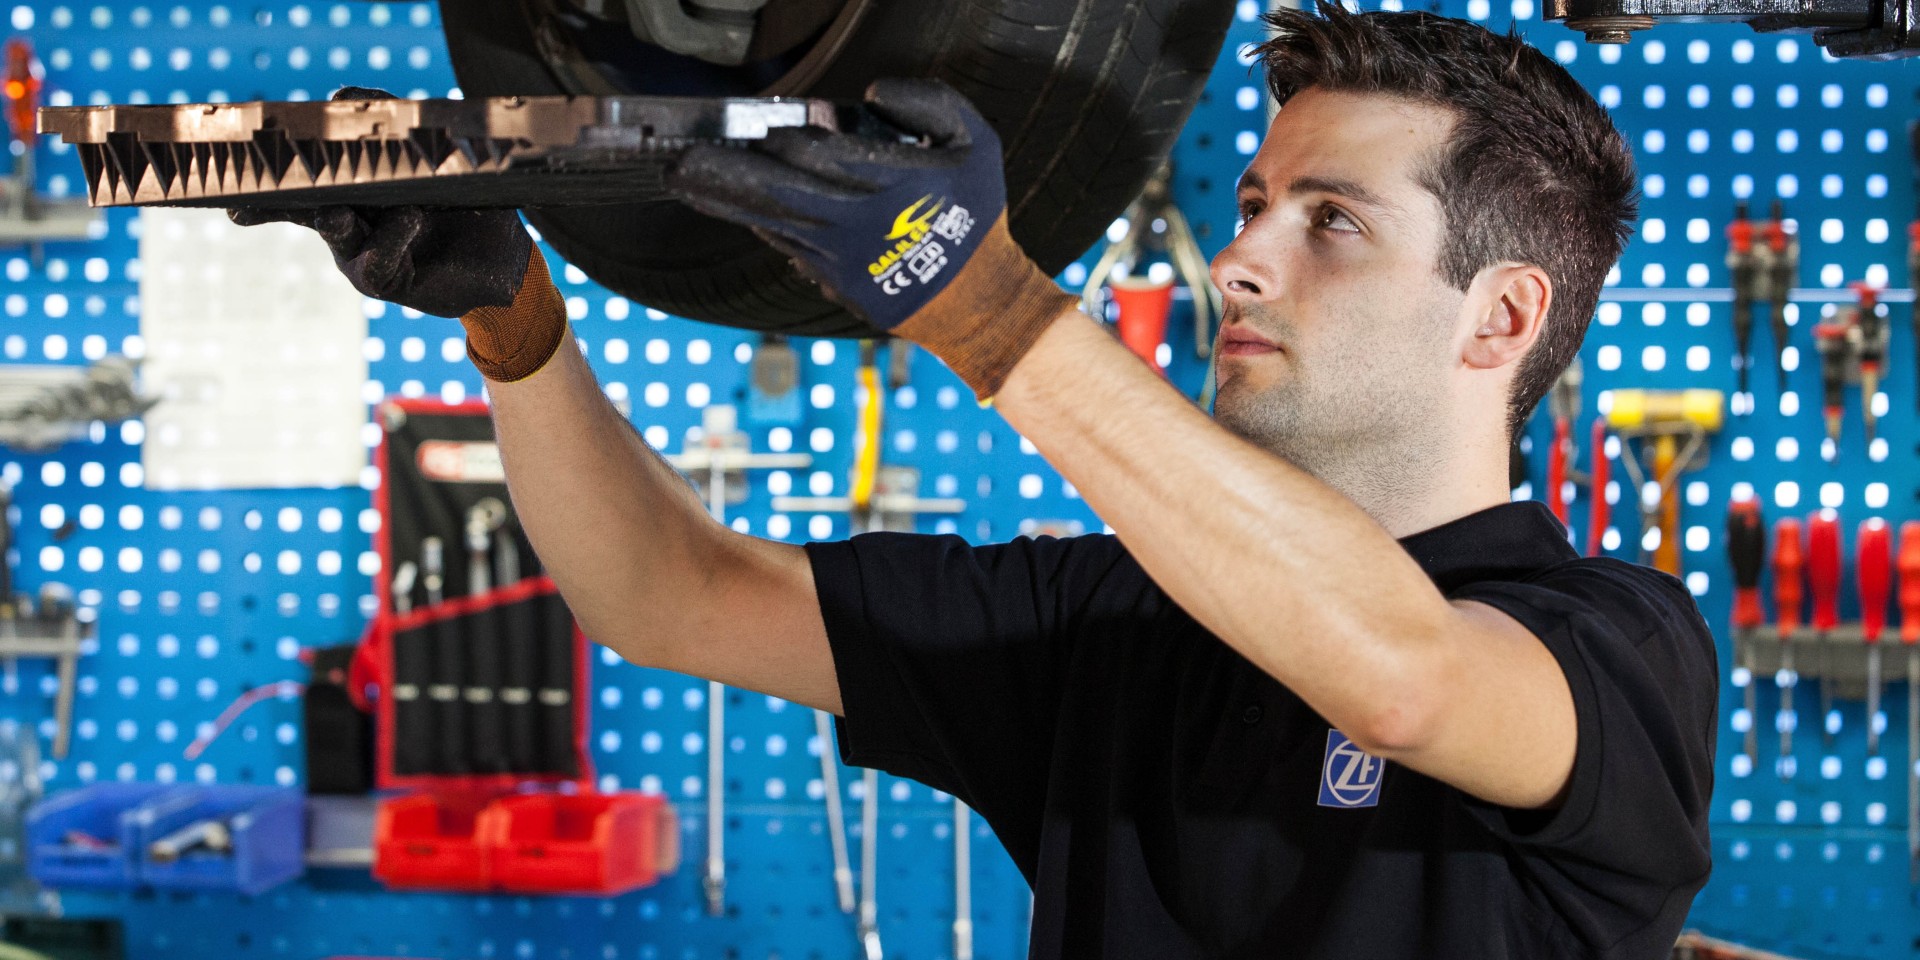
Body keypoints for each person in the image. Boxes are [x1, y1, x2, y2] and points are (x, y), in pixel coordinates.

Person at [238, 5, 1715, 956]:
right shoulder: (1107, 624)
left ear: (1503, 316)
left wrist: (988, 308)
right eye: (1257, 202)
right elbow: (664, 597)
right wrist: (515, 323)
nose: (1247, 256)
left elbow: (1399, 676)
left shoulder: (1614, 647)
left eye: (1332, 221)